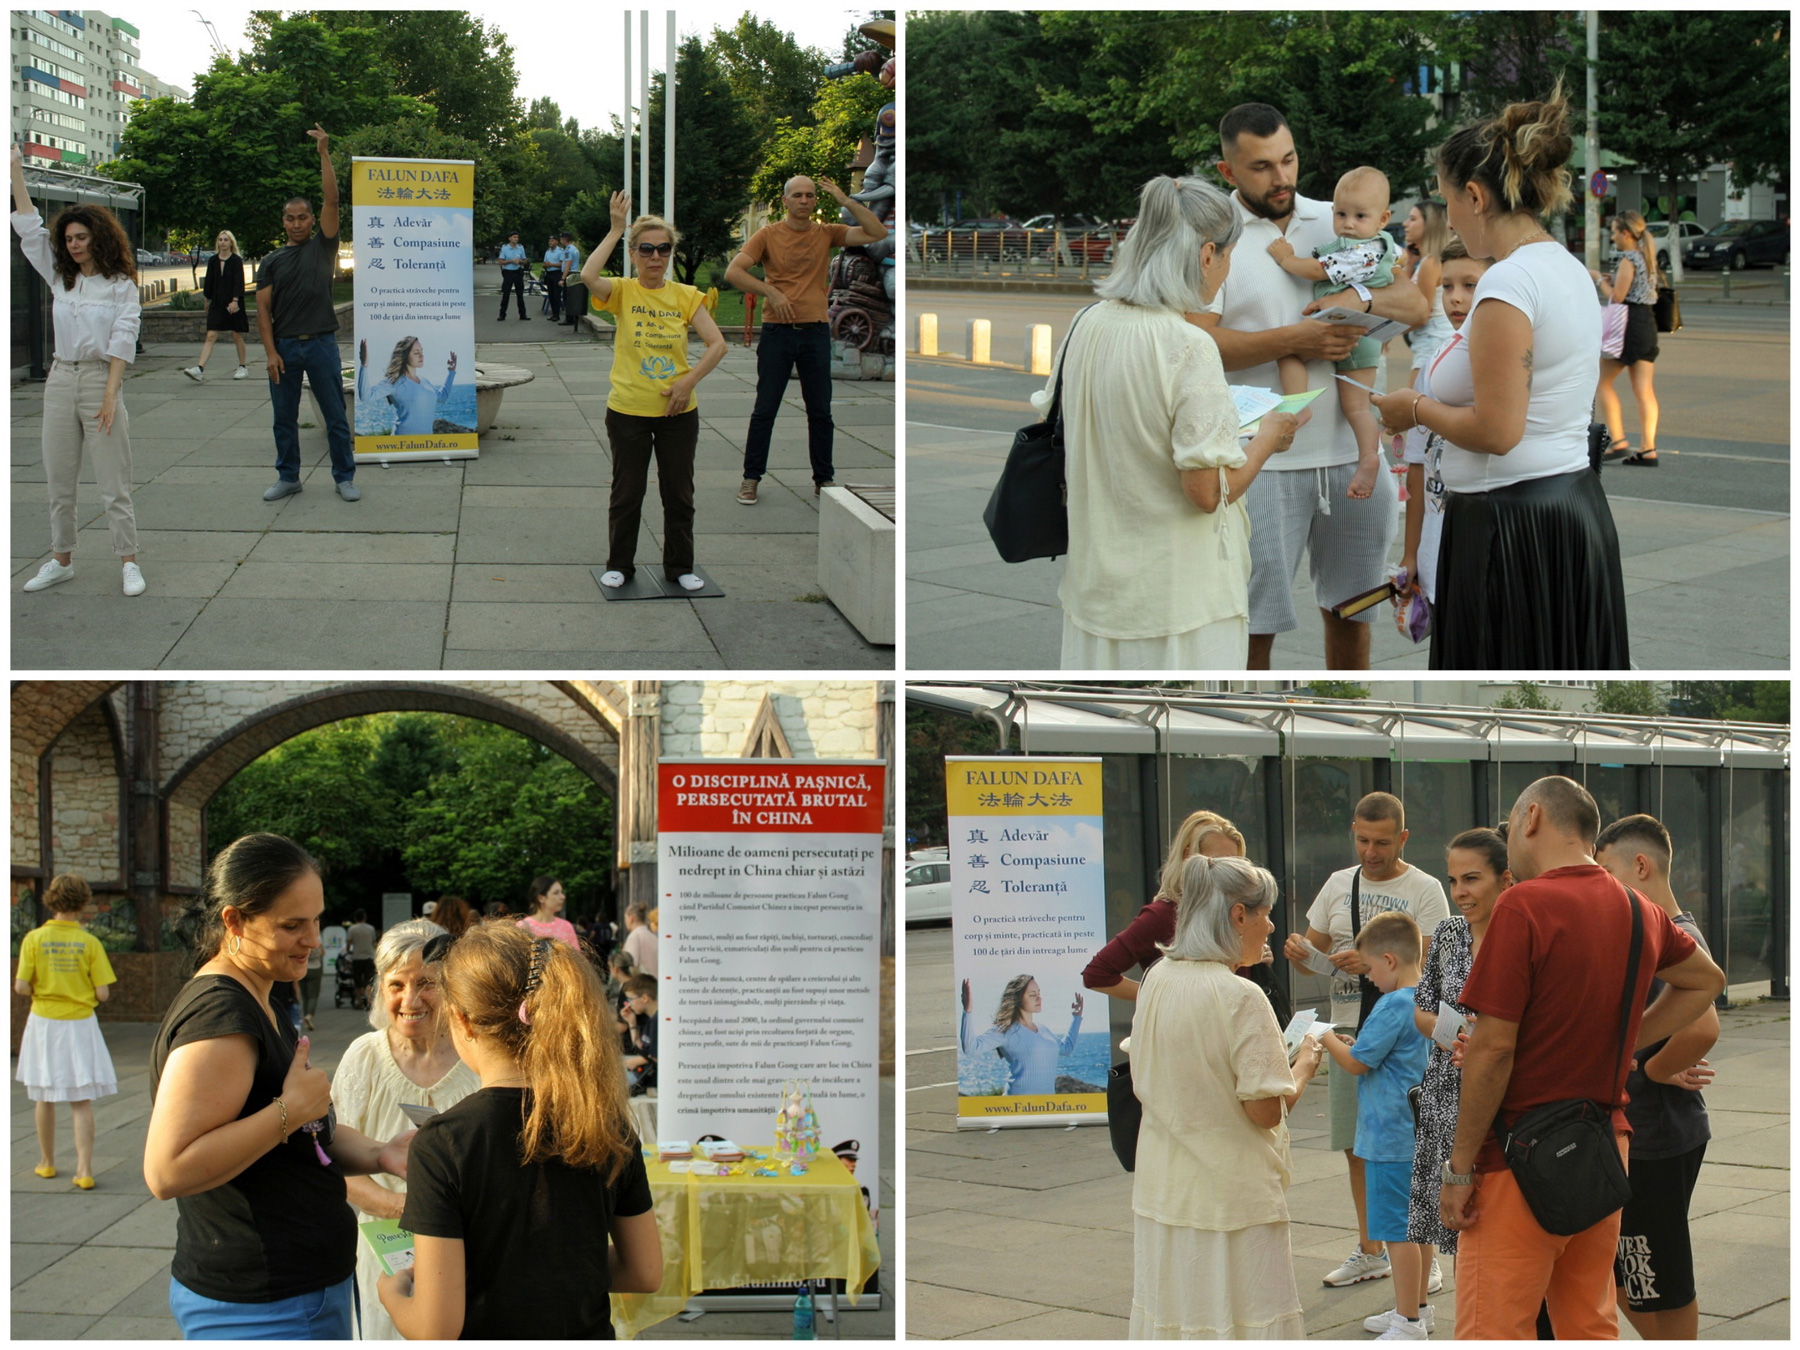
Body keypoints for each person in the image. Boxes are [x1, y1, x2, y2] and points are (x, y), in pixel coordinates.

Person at [1440, 778, 1726, 1339]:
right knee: (1587, 1322)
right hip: (1603, 1147)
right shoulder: (1635, 904)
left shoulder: (1524, 903)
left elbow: (1494, 1050)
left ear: (1532, 818)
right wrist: (1624, 1041)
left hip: (1518, 1157)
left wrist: (1457, 1169)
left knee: (1492, 1329)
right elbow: (1705, 981)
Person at [1370, 84, 1628, 670]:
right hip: (1563, 511)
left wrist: (1412, 409)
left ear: (1476, 196)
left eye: (1448, 201)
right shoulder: (1561, 266)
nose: (1448, 217)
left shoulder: (1509, 284)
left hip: (1510, 527)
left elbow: (1497, 430)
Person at [144, 833, 415, 1338]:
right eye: (292, 925)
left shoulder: (259, 995)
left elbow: (299, 1137)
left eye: (315, 919)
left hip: (293, 1292)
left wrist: (383, 1153)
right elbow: (167, 1170)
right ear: (235, 921)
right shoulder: (224, 1016)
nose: (313, 939)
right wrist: (289, 1109)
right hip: (265, 1305)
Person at [1195, 104, 1429, 671]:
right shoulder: (1209, 235)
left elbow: (1416, 305)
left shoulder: (1340, 218)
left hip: (1353, 457)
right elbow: (1195, 346)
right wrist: (1291, 339)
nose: (1282, 178)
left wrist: (1355, 304)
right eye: (1261, 167)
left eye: (1290, 159)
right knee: (1252, 626)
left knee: (1354, 615)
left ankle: (1357, 729)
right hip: (1261, 462)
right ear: (1228, 173)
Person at [1041, 174, 1302, 668]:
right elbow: (1206, 493)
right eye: (1228, 257)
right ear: (1207, 255)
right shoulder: (1187, 345)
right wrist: (1268, 436)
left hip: (1096, 587)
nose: (1226, 270)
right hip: (1178, 603)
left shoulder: (1086, 323)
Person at [377, 924, 663, 1337]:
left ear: (462, 1021)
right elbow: (644, 1272)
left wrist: (392, 1292)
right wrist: (557, 1267)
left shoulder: (443, 1143)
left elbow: (434, 1327)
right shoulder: (606, 1124)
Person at [1129, 854, 1322, 1338]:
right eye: (1265, 913)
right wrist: (1303, 1066)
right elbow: (1264, 1111)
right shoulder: (1240, 995)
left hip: (1164, 1189)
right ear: (1239, 915)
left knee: (1175, 1319)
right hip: (1231, 1200)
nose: (1272, 925)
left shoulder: (1157, 978)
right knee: (1241, 1321)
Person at [1280, 791, 1449, 1292]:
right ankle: (1371, 1249)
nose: (1370, 852)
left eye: (1381, 842)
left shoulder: (1425, 887)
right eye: (1361, 840)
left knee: (1415, 1148)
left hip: (1406, 1030)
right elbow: (1319, 954)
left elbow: (1439, 960)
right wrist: (1302, 953)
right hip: (1354, 1023)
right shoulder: (1338, 884)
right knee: (1361, 1146)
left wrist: (1379, 962)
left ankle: (1424, 1254)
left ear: (1402, 838)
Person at [1595, 814, 1718, 1340]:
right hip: (1654, 1134)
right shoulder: (1662, 929)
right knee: (1634, 1274)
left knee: (1653, 1273)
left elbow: (1704, 1023)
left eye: (1605, 871)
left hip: (1658, 1139)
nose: (1600, 885)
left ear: (1640, 866)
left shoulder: (1670, 932)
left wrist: (1655, 1067)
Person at [332, 920, 481, 1340]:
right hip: (384, 1253)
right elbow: (332, 1159)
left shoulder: (479, 1053)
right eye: (396, 984)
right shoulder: (363, 1057)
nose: (409, 999)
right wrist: (401, 1210)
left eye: (426, 984)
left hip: (472, 1250)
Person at [10, 141, 146, 597]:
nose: (73, 245)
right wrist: (15, 171)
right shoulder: (60, 276)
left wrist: (110, 395)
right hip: (59, 379)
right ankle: (61, 559)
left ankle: (128, 561)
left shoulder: (121, 285)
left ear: (98, 238)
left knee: (113, 481)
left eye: (81, 238)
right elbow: (28, 230)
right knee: (58, 479)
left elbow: (123, 339)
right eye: (68, 239)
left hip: (99, 380)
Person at [581, 193, 729, 594]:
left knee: (679, 494)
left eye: (663, 249)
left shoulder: (685, 295)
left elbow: (717, 345)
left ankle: (680, 566)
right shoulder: (624, 292)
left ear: (670, 254)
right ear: (633, 254)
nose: (655, 256)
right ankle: (619, 564)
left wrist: (687, 382)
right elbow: (589, 276)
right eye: (646, 249)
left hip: (679, 413)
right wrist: (615, 229)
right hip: (628, 409)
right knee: (627, 492)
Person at [727, 175, 889, 504]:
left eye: (810, 195)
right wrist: (770, 290)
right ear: (785, 201)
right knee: (765, 410)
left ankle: (823, 479)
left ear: (816, 201)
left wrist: (846, 201)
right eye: (797, 195)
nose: (804, 200)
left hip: (815, 332)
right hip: (777, 333)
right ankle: (751, 478)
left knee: (820, 412)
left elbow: (878, 232)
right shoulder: (767, 235)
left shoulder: (826, 232)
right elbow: (734, 271)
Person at [1406, 829, 1512, 1310]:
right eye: (1453, 880)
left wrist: (1486, 1041)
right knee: (1453, 1220)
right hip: (1447, 1087)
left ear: (1504, 878)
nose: (1460, 892)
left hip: (1501, 1088)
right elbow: (1423, 1009)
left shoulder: (1520, 932)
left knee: (1496, 1219)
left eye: (1472, 879)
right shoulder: (1448, 935)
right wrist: (1459, 1035)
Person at [1319, 912, 1432, 1339]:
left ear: (1389, 960)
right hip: (1418, 1130)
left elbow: (1356, 1062)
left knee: (1395, 1230)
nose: (1369, 980)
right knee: (1418, 1226)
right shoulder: (1426, 998)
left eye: (1369, 970)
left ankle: (1407, 1324)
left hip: (1389, 1135)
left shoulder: (1392, 1003)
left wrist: (1324, 1035)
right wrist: (1356, 1044)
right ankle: (1417, 1310)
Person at [1267, 165, 1399, 501]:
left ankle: (1299, 406)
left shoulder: (1363, 252)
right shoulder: (1377, 246)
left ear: (1383, 219)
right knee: (1356, 408)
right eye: (1341, 214)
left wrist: (1285, 258)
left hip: (1349, 332)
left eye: (1360, 216)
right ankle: (1368, 454)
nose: (1349, 224)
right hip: (1364, 336)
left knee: (1289, 350)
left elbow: (1315, 269)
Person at [257, 124, 359, 503]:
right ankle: (288, 477)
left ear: (312, 220)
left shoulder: (323, 249)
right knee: (284, 419)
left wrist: (324, 154)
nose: (297, 223)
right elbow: (263, 312)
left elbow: (332, 200)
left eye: (303, 217)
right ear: (283, 221)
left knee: (335, 417)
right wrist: (270, 353)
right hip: (284, 349)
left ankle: (343, 476)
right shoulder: (271, 261)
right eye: (290, 218)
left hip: (321, 346)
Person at [1397, 240, 1489, 621]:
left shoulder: (1495, 361)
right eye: (1447, 286)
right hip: (1436, 552)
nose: (1455, 298)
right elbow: (1417, 468)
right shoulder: (1434, 362)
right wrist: (1410, 553)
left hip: (1479, 549)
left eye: (1470, 285)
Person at [14, 874, 118, 1189]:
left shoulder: (34, 939)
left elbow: (20, 986)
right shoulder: (90, 942)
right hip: (79, 1024)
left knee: (43, 1096)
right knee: (81, 1099)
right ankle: (84, 1170)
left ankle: (46, 1163)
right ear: (82, 902)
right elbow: (103, 994)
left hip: (44, 1022)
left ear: (52, 900)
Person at [1083, 810, 1251, 1001]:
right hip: (1186, 1028)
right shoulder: (1162, 915)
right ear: (1189, 857)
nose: (1230, 872)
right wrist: (1163, 1000)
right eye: (1220, 862)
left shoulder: (1235, 911)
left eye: (1236, 864)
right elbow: (1097, 974)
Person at [1594, 212, 1663, 467]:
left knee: (1602, 382)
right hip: (1647, 323)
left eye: (1614, 231)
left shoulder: (1628, 259)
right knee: (1644, 390)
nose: (1612, 237)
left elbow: (1618, 297)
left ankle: (1619, 440)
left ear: (1625, 233)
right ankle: (1648, 449)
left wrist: (1599, 279)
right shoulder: (1648, 257)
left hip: (1629, 325)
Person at [958, 974, 1082, 1095]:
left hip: (1046, 1107)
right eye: (1032, 995)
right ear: (1017, 999)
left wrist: (1076, 1017)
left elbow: (1067, 1048)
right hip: (1016, 1107)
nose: (1039, 998)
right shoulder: (1006, 1030)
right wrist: (967, 1011)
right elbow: (970, 1049)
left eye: (1039, 993)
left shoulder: (1044, 1029)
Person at [181, 229, 250, 382]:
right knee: (211, 335)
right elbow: (210, 281)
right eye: (220, 239)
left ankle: (242, 366)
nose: (223, 242)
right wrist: (207, 299)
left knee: (236, 334)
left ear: (231, 242)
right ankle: (199, 368)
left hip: (233, 302)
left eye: (226, 240)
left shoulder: (236, 260)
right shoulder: (213, 260)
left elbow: (239, 282)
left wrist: (235, 301)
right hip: (217, 302)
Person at [1400, 200, 1455, 385]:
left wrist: (1387, 332)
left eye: (1412, 219)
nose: (1405, 224)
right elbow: (1404, 298)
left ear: (1429, 225)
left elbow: (1420, 314)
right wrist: (1408, 263)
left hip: (1433, 338)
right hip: (1432, 338)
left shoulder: (1430, 264)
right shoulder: (1426, 262)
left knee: (1414, 402)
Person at [356, 336, 457, 436]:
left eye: (422, 351)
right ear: (404, 355)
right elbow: (366, 397)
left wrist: (451, 372)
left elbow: (442, 397)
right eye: (416, 352)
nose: (421, 356)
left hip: (425, 445)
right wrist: (364, 365)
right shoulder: (394, 382)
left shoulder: (425, 381)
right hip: (401, 445)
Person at [620, 972, 659, 1094]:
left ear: (645, 998)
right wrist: (631, 1023)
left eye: (631, 999)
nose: (629, 1004)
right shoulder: (650, 1019)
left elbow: (660, 1057)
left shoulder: (660, 1021)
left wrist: (638, 1061)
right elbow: (641, 1048)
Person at [517, 875, 580, 948]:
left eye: (561, 892)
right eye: (556, 893)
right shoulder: (523, 926)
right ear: (541, 898)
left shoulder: (566, 926)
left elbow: (576, 957)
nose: (562, 897)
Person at [346, 909, 377, 1011]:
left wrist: (348, 951)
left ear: (355, 918)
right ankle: (369, 1001)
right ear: (365, 917)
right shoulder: (371, 929)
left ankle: (359, 1002)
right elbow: (374, 942)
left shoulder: (352, 929)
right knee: (369, 981)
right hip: (369, 957)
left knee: (357, 981)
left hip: (357, 958)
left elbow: (349, 943)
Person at [497, 230, 529, 320]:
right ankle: (502, 314)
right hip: (508, 273)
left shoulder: (520, 247)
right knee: (506, 294)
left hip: (518, 272)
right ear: (510, 238)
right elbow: (500, 261)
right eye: (514, 237)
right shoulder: (505, 248)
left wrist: (520, 261)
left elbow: (525, 260)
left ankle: (523, 315)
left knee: (520, 294)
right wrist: (511, 261)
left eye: (517, 237)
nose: (516, 239)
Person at [558, 232, 586, 330]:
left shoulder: (568, 250)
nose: (560, 240)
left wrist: (563, 278)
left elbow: (567, 265)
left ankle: (569, 318)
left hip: (569, 274)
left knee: (567, 297)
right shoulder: (574, 249)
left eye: (561, 238)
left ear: (565, 239)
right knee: (570, 296)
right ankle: (570, 317)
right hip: (574, 274)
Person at [622, 900, 657, 976]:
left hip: (642, 984)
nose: (625, 922)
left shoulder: (634, 937)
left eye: (625, 918)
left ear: (631, 918)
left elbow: (631, 964)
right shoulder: (653, 936)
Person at [298, 939, 323, 1033]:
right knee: (313, 995)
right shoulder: (318, 939)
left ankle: (305, 1018)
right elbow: (322, 952)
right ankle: (309, 1015)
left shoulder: (302, 938)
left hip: (303, 968)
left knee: (304, 996)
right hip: (315, 967)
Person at [541, 233, 565, 320]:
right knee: (551, 295)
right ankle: (553, 313)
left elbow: (562, 264)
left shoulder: (561, 251)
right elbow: (544, 263)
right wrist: (545, 265)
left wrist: (552, 264)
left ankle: (557, 314)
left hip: (557, 274)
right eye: (549, 241)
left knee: (556, 295)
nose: (550, 242)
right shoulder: (547, 252)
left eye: (552, 240)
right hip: (549, 274)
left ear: (556, 242)